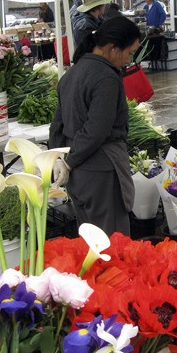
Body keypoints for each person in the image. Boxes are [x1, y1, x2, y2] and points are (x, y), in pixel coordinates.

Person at [49, 16, 141, 236]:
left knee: (89, 241)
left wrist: (59, 159)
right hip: (101, 171)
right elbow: (96, 130)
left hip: (78, 176)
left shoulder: (71, 73)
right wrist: (68, 163)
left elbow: (57, 125)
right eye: (129, 53)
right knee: (112, 243)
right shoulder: (106, 78)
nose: (128, 60)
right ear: (112, 48)